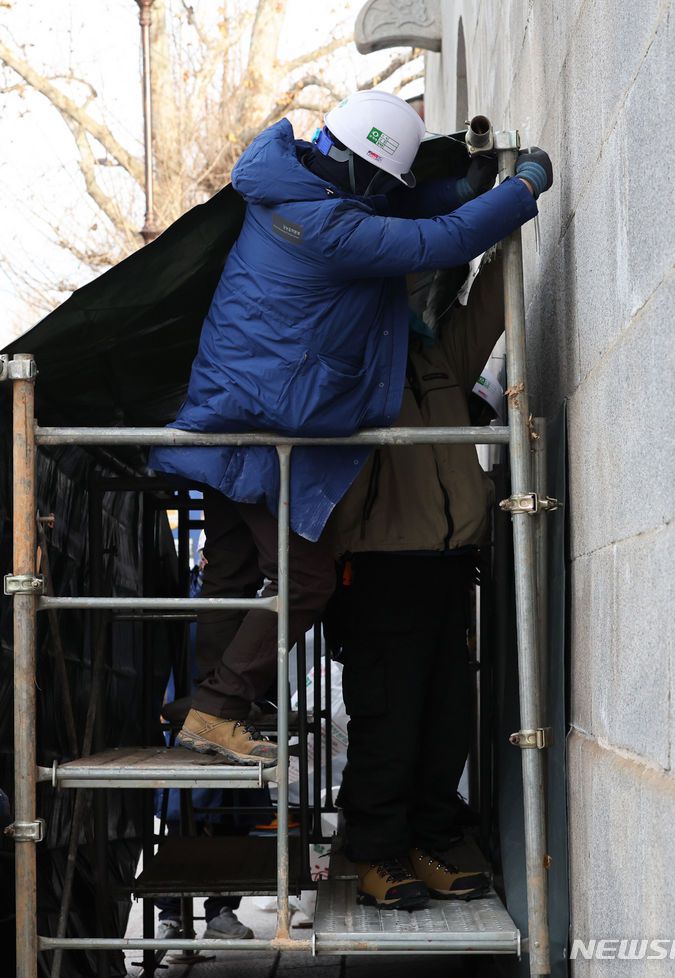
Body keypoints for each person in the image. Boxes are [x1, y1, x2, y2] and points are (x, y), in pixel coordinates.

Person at [148, 89, 544, 767]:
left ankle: (201, 704)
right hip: (257, 427)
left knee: (233, 571)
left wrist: (462, 187)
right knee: (307, 581)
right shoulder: (326, 229)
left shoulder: (297, 187)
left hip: (229, 412)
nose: (389, 191)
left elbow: (396, 209)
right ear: (363, 168)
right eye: (387, 177)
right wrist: (524, 187)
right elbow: (434, 240)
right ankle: (218, 710)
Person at [325, 161, 553, 911]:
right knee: (389, 723)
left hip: (450, 564)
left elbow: (489, 305)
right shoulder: (350, 366)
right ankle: (376, 853)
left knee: (445, 717)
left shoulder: (434, 357)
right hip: (381, 570)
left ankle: (428, 838)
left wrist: (508, 207)